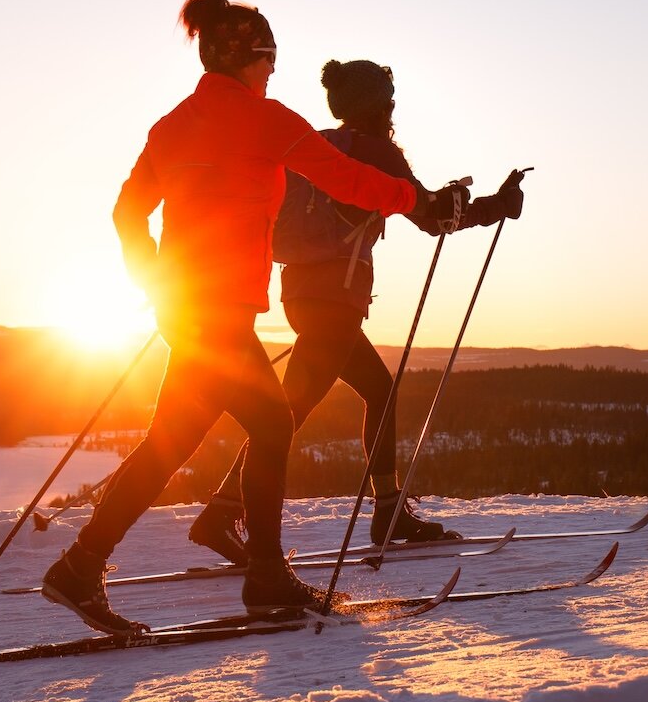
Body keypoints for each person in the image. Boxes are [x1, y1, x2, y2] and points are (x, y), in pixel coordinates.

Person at [40, 0, 469, 634]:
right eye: (269, 60)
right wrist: (420, 201)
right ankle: (265, 578)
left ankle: (78, 568)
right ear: (249, 58)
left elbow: (127, 212)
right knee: (270, 425)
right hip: (216, 313)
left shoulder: (173, 124)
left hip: (186, 311)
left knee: (168, 445)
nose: (272, 73)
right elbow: (347, 179)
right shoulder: (264, 119)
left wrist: (156, 284)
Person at [188, 58, 526, 566]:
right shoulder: (379, 152)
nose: (392, 107)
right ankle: (224, 512)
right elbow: (432, 217)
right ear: (381, 105)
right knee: (284, 415)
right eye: (389, 99)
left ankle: (386, 509)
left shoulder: (320, 145)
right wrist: (497, 206)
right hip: (336, 302)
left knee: (371, 391)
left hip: (300, 296)